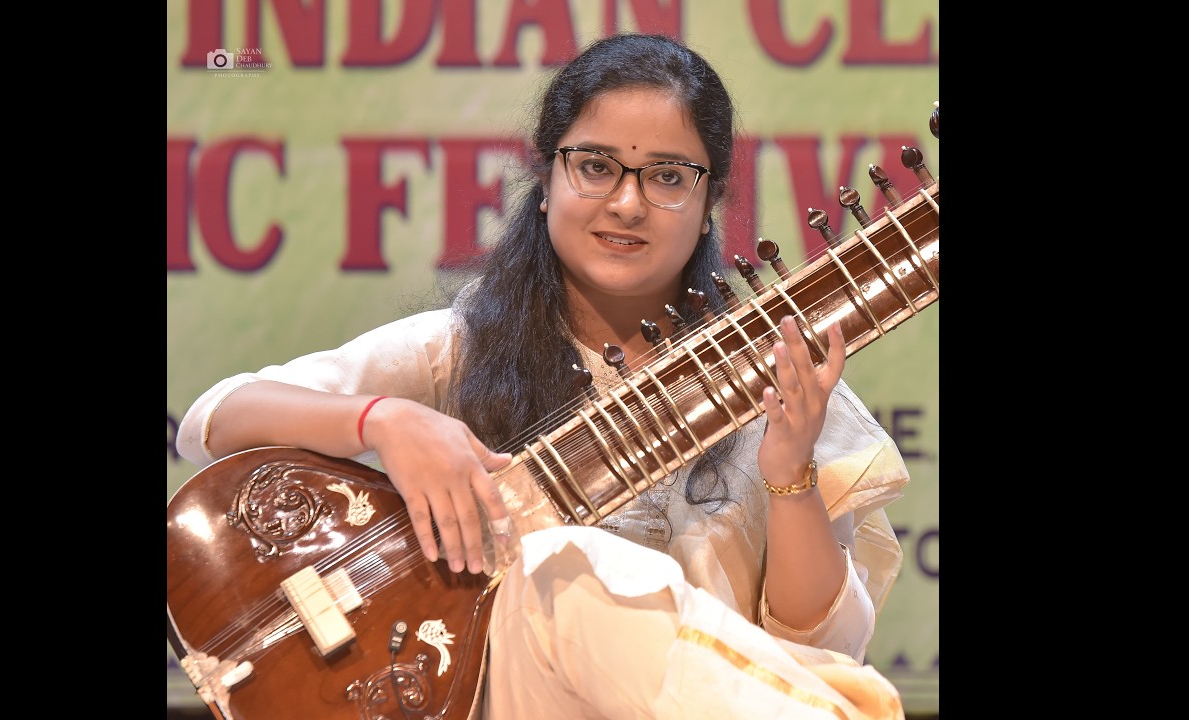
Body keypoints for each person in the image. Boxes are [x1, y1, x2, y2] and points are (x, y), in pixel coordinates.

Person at [177, 32, 912, 720]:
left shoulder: (785, 382)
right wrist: (384, 420)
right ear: (545, 177)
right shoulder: (463, 350)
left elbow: (824, 651)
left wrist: (791, 476)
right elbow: (212, 419)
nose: (627, 203)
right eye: (595, 166)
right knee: (561, 566)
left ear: (709, 201)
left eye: (666, 176)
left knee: (566, 563)